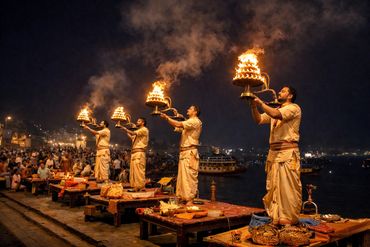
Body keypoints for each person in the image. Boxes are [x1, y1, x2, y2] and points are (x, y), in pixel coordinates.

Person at [249, 85, 302, 225]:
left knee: (288, 188)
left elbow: (275, 114)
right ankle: (276, 217)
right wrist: (253, 106)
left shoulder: (294, 108)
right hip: (274, 154)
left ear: (290, 96)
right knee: (273, 187)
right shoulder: (277, 109)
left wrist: (260, 103)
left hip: (287, 153)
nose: (279, 92)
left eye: (283, 91)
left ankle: (288, 219)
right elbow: (259, 119)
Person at [160, 105, 202, 204]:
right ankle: (183, 197)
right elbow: (180, 125)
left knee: (189, 177)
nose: (187, 109)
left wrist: (167, 118)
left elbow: (179, 124)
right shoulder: (190, 122)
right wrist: (177, 116)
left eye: (190, 108)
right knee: (182, 177)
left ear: (195, 112)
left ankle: (190, 199)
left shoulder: (195, 121)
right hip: (184, 153)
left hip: (190, 153)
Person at [117, 118, 149, 190]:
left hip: (139, 153)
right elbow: (132, 136)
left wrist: (125, 128)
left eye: (139, 121)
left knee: (139, 170)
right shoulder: (138, 132)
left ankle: (140, 186)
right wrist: (124, 130)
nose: (137, 122)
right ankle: (135, 186)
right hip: (135, 153)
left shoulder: (144, 129)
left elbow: (133, 133)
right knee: (134, 171)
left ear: (143, 122)